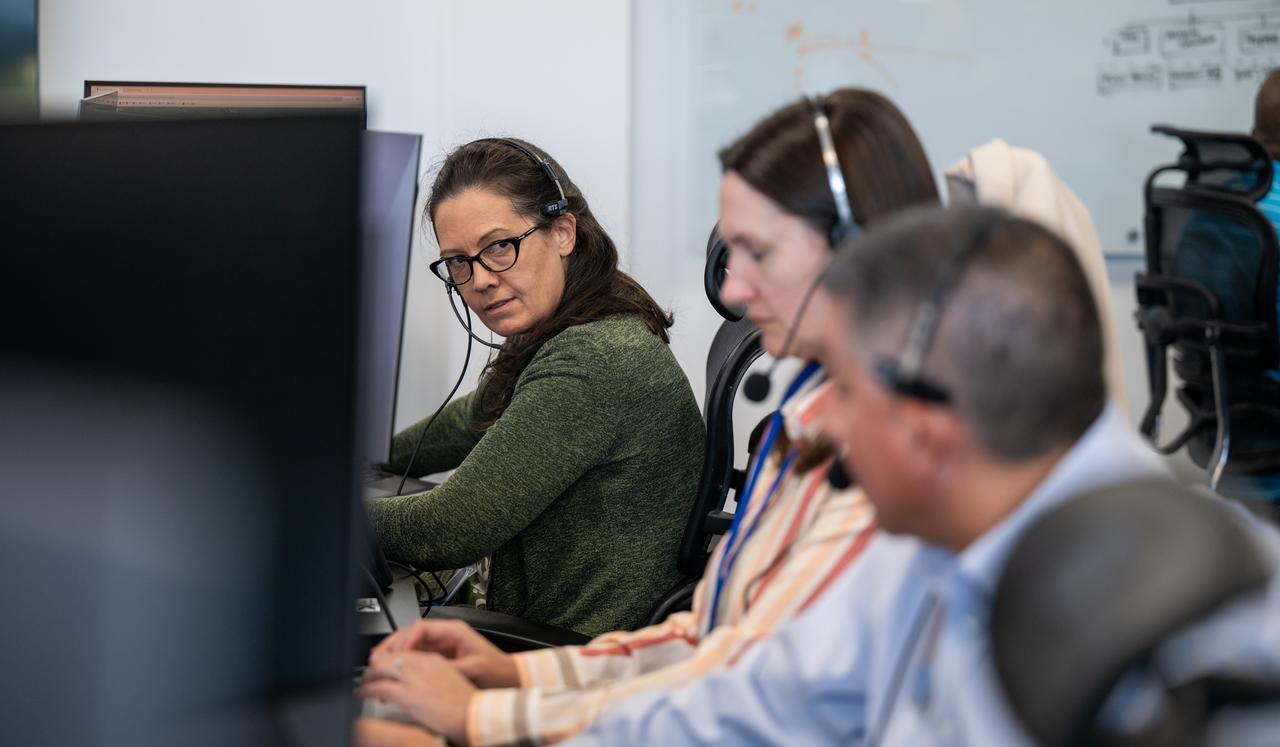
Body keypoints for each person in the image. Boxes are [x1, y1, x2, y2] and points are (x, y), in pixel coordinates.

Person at [565, 206, 1280, 745]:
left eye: (841, 389)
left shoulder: (1192, 648)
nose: (826, 426)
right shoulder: (922, 539)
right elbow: (771, 699)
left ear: (922, 430)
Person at [355, 90, 941, 747]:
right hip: (596, 674)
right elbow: (704, 641)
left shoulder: (874, 473)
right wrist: (524, 680)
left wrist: (482, 717)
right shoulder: (803, 428)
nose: (734, 291)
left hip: (601, 678)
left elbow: (740, 699)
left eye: (498, 249)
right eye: (459, 264)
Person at [368, 137, 704, 637]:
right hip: (558, 632)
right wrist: (371, 458)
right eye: (458, 262)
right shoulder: (574, 317)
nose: (479, 279)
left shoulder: (594, 358)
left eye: (499, 247)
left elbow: (451, 528)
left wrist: (328, 512)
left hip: (574, 658)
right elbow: (470, 419)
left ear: (563, 231)